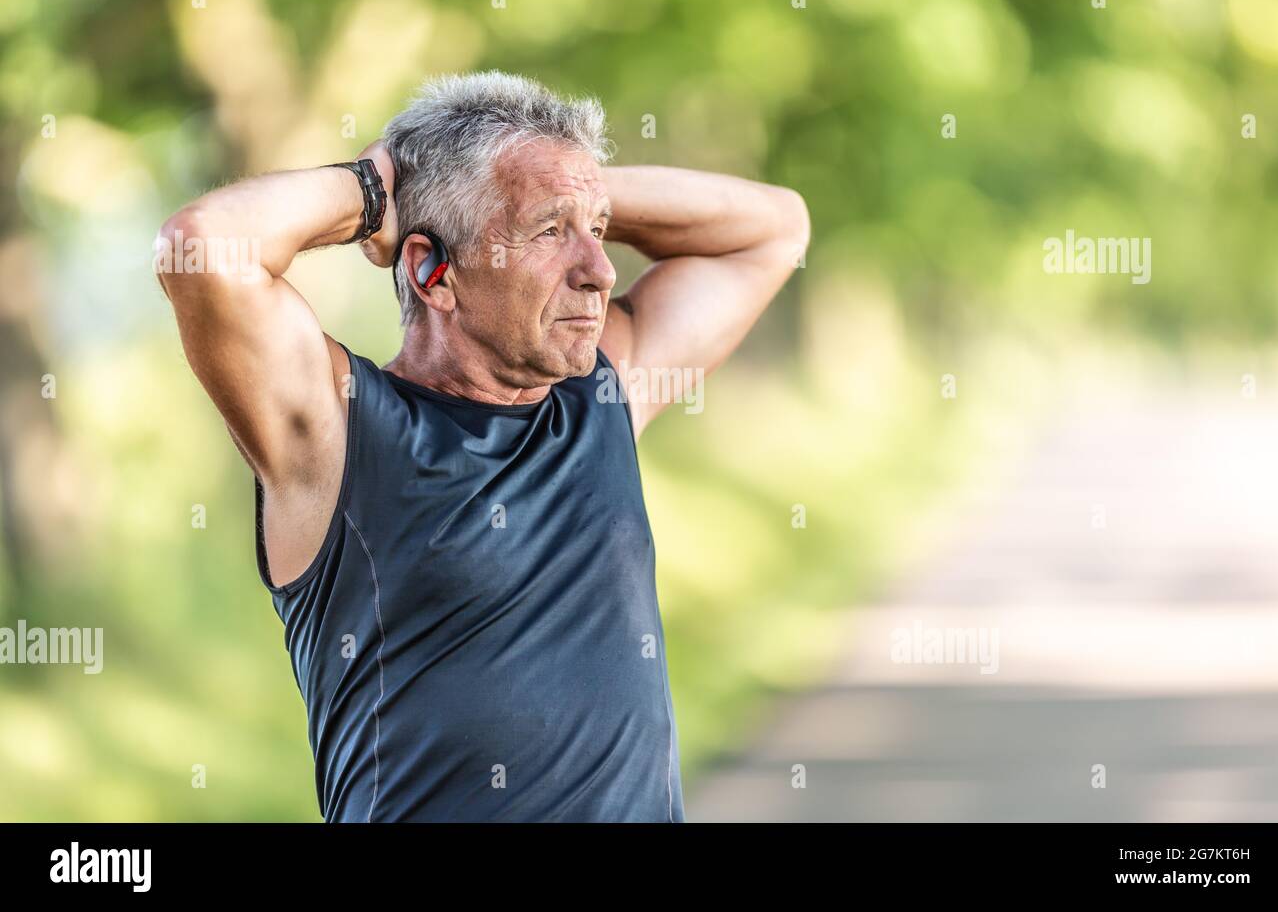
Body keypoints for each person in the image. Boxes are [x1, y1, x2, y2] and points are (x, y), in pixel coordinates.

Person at [154, 70, 810, 821]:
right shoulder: (338, 432)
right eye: (549, 234)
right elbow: (201, 248)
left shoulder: (601, 393)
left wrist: (565, 191)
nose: (600, 271)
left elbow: (775, 228)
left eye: (595, 232)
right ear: (433, 273)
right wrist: (376, 189)